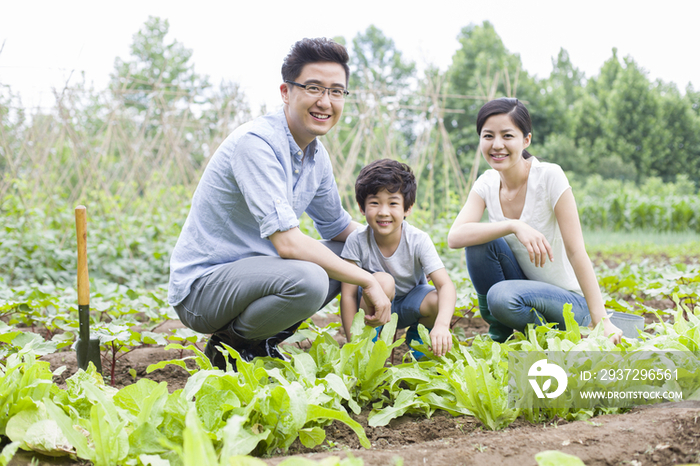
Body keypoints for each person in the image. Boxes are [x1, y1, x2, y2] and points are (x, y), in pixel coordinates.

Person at [167, 38, 391, 370]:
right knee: (311, 279)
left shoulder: (316, 154)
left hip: (261, 275)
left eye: (336, 91)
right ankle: (230, 346)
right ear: (286, 92)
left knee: (352, 253)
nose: (325, 102)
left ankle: (261, 343)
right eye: (314, 88)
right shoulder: (256, 144)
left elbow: (339, 227)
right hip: (205, 289)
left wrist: (392, 250)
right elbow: (287, 243)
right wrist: (368, 280)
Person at [447, 97, 622, 344]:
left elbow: (576, 251)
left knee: (500, 296)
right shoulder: (486, 182)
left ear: (526, 139)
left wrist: (603, 321)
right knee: (479, 241)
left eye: (507, 136)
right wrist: (514, 225)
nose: (497, 145)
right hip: (522, 291)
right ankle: (501, 337)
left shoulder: (549, 177)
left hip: (568, 301)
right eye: (488, 136)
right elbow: (455, 237)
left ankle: (554, 338)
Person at [340, 159, 456, 358]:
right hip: (372, 310)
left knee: (437, 301)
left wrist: (442, 326)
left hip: (409, 306)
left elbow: (446, 286)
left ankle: (420, 350)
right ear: (362, 207)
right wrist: (354, 342)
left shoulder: (418, 240)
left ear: (407, 208)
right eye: (374, 203)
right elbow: (349, 295)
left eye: (393, 203)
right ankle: (369, 349)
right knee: (382, 281)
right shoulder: (357, 241)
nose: (384, 212)